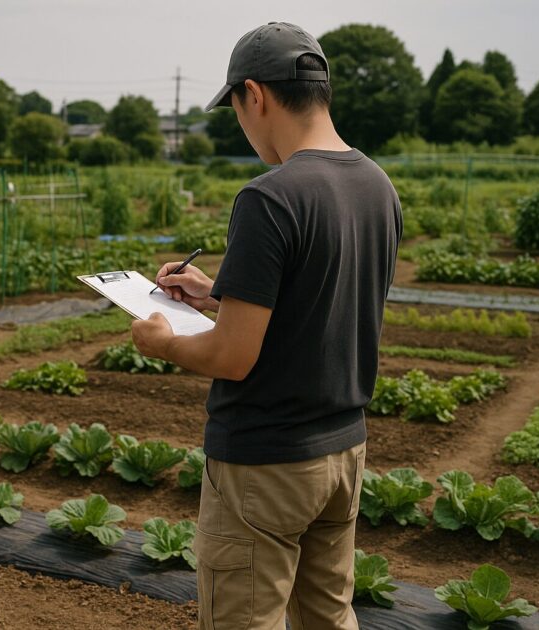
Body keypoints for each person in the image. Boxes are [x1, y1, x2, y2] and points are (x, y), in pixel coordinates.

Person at [130, 22, 402, 630]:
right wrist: (216, 290)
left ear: (254, 95)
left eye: (235, 109)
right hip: (342, 452)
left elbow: (232, 357)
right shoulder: (377, 186)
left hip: (265, 465)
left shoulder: (269, 197)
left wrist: (163, 341)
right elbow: (321, 300)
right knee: (327, 615)